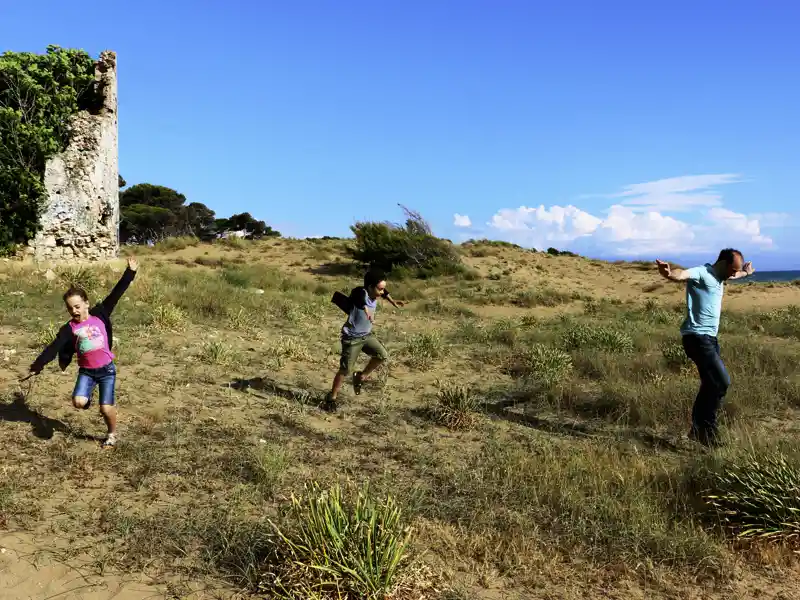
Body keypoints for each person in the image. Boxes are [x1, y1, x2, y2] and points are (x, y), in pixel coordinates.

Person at [27, 256, 140, 448]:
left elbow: (116, 293)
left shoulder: (100, 313)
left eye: (78, 306)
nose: (74, 311)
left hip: (106, 371)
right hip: (86, 372)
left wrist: (130, 273)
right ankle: (87, 396)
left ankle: (111, 434)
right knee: (78, 403)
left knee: (105, 408)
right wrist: (38, 365)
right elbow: (53, 347)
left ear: (87, 303)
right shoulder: (69, 328)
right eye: (70, 308)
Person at [656, 249, 754, 446]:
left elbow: (738, 275)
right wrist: (668, 274)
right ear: (724, 264)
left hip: (710, 339)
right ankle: (707, 432)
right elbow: (681, 275)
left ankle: (698, 429)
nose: (734, 275)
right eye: (733, 270)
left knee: (711, 385)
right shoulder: (701, 273)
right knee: (721, 381)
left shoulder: (722, 276)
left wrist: (747, 273)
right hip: (697, 338)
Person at [324, 269, 404, 412]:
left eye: (383, 289)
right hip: (352, 339)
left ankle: (361, 376)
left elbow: (385, 292)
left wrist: (393, 301)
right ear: (370, 287)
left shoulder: (377, 292)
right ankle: (331, 398)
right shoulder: (360, 293)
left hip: (366, 336)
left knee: (382, 355)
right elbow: (358, 297)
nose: (382, 292)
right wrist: (366, 309)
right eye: (379, 289)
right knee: (345, 370)